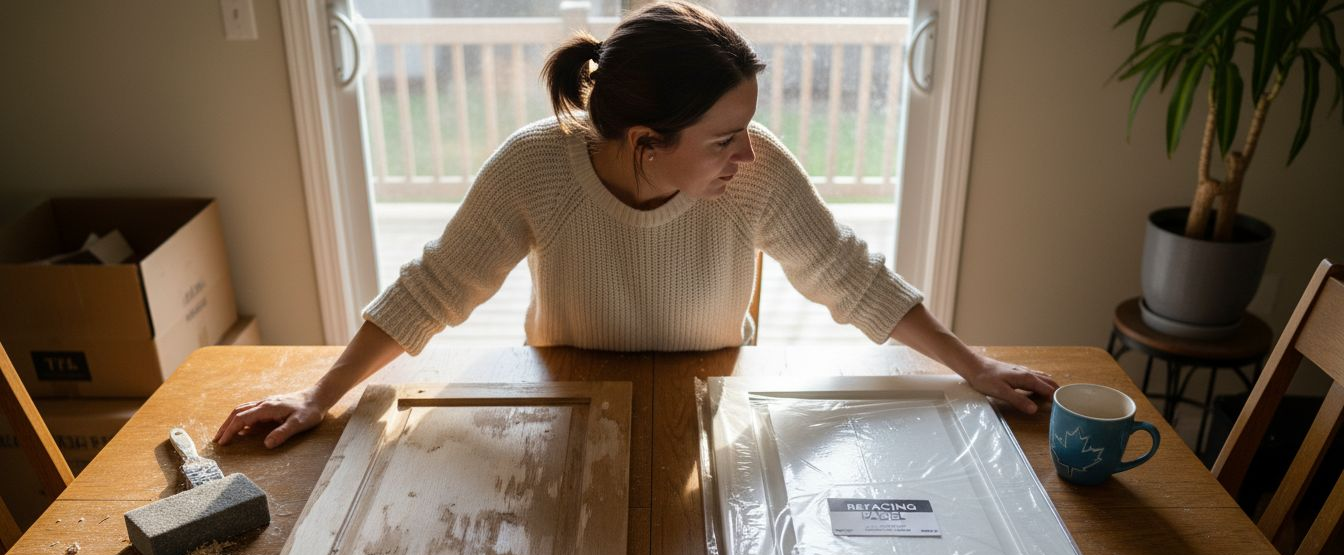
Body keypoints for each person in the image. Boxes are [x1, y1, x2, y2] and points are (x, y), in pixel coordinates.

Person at [215, 1, 1056, 449]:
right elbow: (435, 287)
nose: (747, 155)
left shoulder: (750, 172)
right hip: (567, 404)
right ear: (647, 145)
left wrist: (973, 366)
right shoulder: (535, 167)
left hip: (711, 403)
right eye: (723, 139)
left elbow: (847, 271)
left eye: (745, 130)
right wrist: (320, 393)